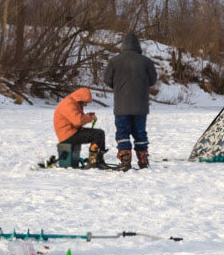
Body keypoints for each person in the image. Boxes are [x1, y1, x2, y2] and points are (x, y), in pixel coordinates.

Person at [103, 32, 157, 170]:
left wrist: (119, 87)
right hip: (140, 105)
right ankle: (143, 160)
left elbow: (107, 80)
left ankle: (125, 161)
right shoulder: (146, 61)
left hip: (122, 106)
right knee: (140, 132)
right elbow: (152, 81)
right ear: (137, 45)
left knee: (122, 132)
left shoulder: (114, 61)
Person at [53, 87, 112, 169]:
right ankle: (93, 162)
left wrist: (88, 116)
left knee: (100, 133)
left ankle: (99, 160)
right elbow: (78, 121)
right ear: (81, 99)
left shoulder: (73, 103)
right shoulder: (68, 104)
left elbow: (77, 120)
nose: (86, 104)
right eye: (86, 102)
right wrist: (89, 117)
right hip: (67, 135)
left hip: (71, 132)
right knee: (98, 134)